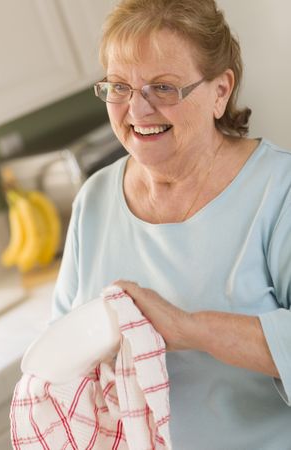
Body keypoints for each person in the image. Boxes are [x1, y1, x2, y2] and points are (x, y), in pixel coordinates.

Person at [52, 0, 291, 448]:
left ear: (221, 91)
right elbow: (63, 348)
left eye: (163, 88)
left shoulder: (280, 191)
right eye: (119, 86)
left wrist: (189, 328)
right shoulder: (95, 199)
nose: (137, 110)